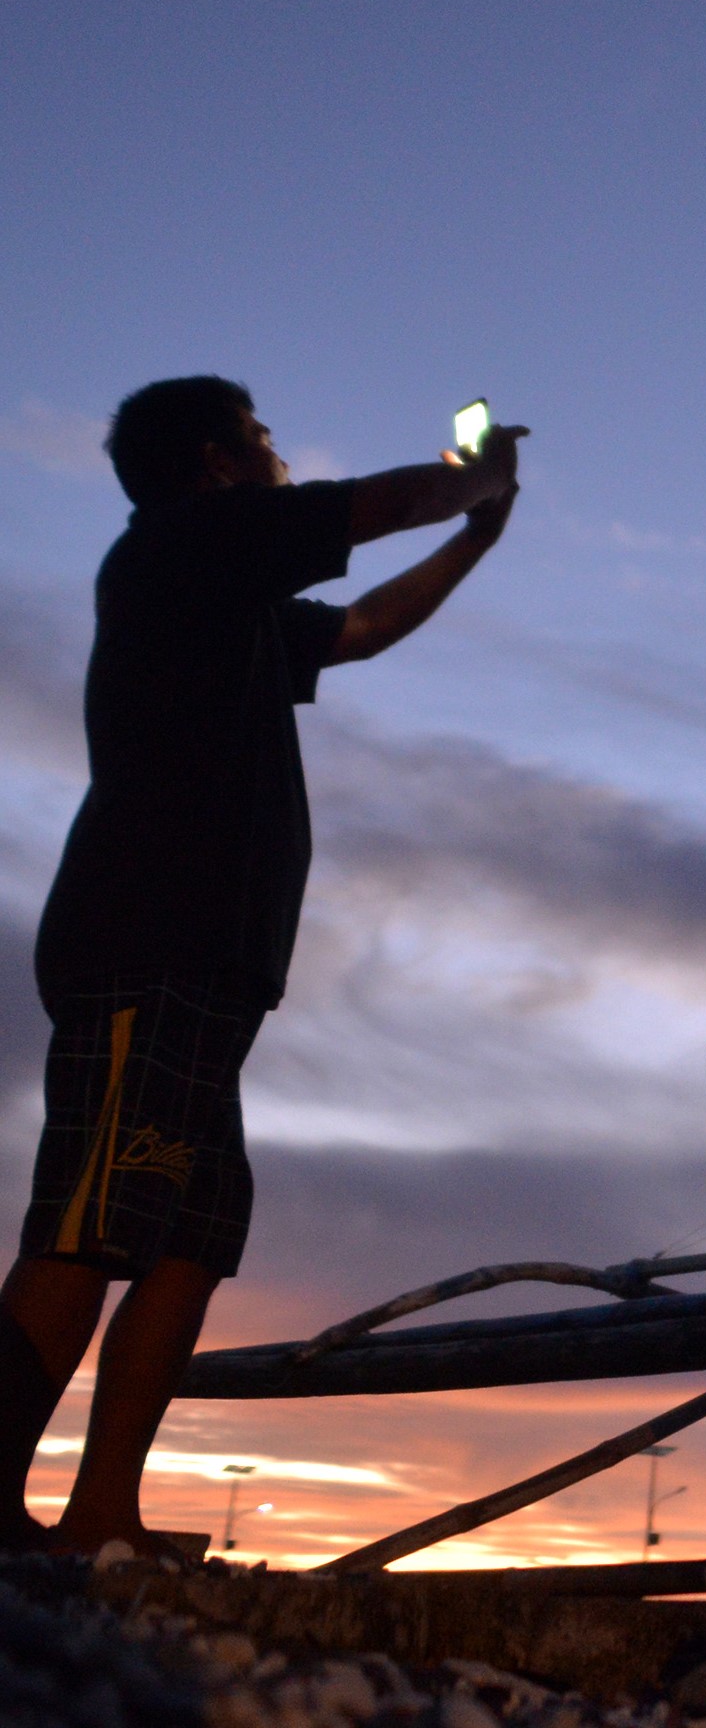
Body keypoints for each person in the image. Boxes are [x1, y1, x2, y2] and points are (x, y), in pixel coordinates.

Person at [0, 376, 525, 1556]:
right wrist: (474, 481)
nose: (279, 455)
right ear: (214, 463)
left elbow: (368, 627)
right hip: (146, 941)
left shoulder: (226, 600)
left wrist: (476, 537)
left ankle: (99, 1520)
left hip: (212, 968)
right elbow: (371, 508)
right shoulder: (186, 544)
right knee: (90, 1222)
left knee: (188, 1241)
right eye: (261, 437)